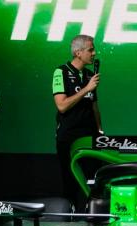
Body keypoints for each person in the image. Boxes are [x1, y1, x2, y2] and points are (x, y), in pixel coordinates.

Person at [53, 34, 102, 212]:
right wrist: (86, 88)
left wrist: (100, 130)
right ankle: (71, 219)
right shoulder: (61, 72)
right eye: (90, 49)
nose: (94, 53)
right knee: (70, 181)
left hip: (90, 137)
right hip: (69, 137)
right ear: (78, 52)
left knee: (92, 181)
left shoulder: (90, 75)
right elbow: (62, 106)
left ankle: (92, 218)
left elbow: (94, 105)